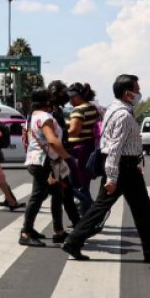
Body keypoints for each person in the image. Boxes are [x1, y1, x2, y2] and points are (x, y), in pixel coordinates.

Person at [62, 75, 150, 265]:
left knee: (104, 208)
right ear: (127, 93)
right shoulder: (123, 115)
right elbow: (115, 147)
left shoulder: (114, 109)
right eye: (136, 89)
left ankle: (74, 240)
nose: (139, 93)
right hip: (122, 167)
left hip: (124, 166)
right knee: (140, 210)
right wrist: (112, 177)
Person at [21, 89, 71, 246]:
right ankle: (26, 232)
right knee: (38, 196)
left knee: (57, 194)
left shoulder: (32, 116)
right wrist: (68, 158)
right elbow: (52, 140)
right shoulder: (45, 117)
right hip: (44, 162)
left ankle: (59, 231)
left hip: (38, 160)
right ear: (47, 102)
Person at [47, 80, 81, 229]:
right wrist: (63, 155)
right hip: (54, 157)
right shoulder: (51, 113)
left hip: (58, 156)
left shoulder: (57, 111)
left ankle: (75, 224)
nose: (66, 96)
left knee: (64, 193)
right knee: (55, 193)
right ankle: (29, 229)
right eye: (63, 92)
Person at [66, 82, 101, 215]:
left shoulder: (79, 110)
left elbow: (74, 130)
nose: (70, 101)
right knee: (83, 184)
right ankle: (86, 215)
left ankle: (91, 213)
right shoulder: (92, 108)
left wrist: (60, 132)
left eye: (71, 98)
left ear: (77, 96)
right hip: (89, 147)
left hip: (78, 150)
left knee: (75, 185)